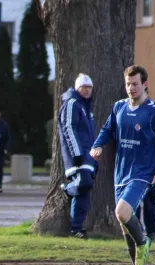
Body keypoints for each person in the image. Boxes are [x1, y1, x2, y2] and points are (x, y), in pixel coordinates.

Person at [91, 65, 155, 265]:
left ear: (145, 84)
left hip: (143, 173)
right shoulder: (118, 107)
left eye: (135, 84)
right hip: (121, 172)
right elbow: (107, 130)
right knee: (125, 226)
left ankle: (144, 243)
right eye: (128, 84)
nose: (131, 88)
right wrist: (98, 145)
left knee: (121, 212)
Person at [58, 73, 97, 239]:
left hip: (88, 156)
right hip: (77, 156)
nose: (87, 90)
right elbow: (69, 129)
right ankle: (66, 189)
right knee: (83, 183)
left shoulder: (86, 108)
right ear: (77, 88)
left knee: (84, 190)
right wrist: (77, 154)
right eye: (84, 87)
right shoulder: (72, 103)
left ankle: (76, 228)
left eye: (89, 88)